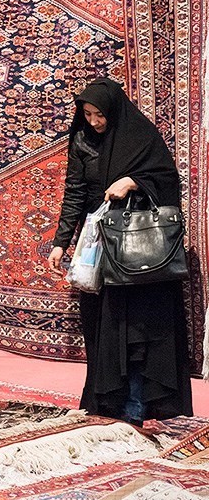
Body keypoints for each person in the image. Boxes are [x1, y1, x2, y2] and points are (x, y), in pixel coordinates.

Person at [47, 77, 193, 426]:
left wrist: (133, 182)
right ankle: (109, 404)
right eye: (87, 114)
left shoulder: (140, 136)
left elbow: (168, 181)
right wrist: (61, 241)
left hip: (142, 250)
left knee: (142, 328)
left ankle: (139, 404)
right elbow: (75, 193)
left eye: (99, 114)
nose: (94, 121)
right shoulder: (82, 140)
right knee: (108, 324)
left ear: (113, 111)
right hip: (102, 246)